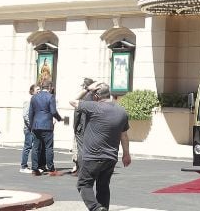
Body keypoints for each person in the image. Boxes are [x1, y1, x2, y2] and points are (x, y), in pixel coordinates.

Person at [69, 81, 132, 211]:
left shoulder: (93, 107)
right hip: (111, 158)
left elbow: (72, 101)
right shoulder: (122, 112)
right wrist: (126, 154)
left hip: (93, 156)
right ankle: (103, 209)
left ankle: (96, 208)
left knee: (84, 184)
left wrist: (87, 89)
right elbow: (124, 136)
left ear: (96, 96)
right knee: (103, 187)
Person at [28, 79, 63, 176]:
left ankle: (35, 169)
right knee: (48, 147)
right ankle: (51, 169)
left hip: (36, 125)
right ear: (50, 87)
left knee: (35, 147)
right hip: (47, 125)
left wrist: (31, 125)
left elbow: (30, 113)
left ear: (42, 87)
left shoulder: (34, 97)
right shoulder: (50, 97)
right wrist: (59, 119)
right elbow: (53, 111)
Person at [20, 84, 36, 173]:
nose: (39, 91)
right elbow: (25, 115)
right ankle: (23, 166)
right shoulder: (29, 101)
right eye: (37, 90)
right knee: (28, 146)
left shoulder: (35, 100)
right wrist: (31, 125)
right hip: (29, 128)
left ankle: (33, 166)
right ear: (32, 91)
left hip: (34, 127)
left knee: (33, 146)